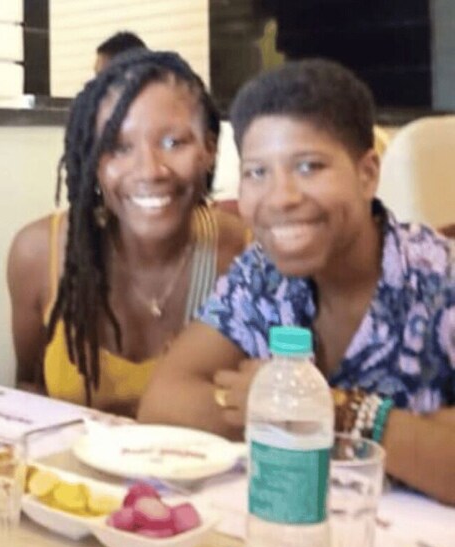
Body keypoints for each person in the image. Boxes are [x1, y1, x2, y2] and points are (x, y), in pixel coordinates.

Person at [137, 59, 455, 504]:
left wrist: (334, 411)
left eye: (308, 167)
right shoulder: (261, 274)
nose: (280, 197)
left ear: (367, 174)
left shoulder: (440, 278)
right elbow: (163, 401)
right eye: (257, 172)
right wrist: (410, 436)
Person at [8, 49, 248, 417]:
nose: (150, 170)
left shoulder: (249, 258)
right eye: (118, 147)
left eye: (173, 143)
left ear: (209, 150)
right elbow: (29, 385)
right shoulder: (39, 254)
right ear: (93, 162)